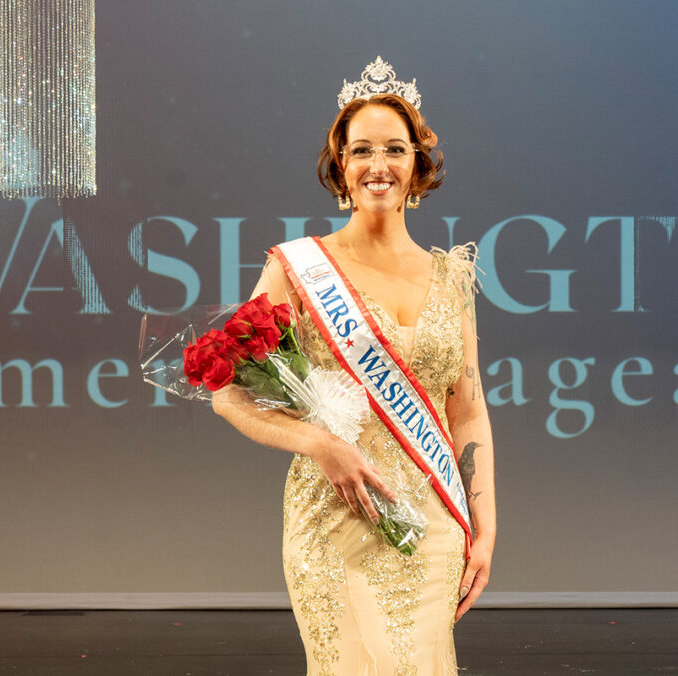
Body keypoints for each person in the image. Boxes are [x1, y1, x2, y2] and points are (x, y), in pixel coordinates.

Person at [212, 57, 496, 674]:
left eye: (395, 149)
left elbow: (468, 412)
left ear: (418, 165)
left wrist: (486, 525)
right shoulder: (298, 268)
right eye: (361, 150)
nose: (378, 164)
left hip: (432, 523)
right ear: (340, 166)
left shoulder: (452, 278)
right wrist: (319, 443)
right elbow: (227, 393)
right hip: (332, 516)